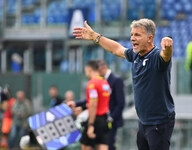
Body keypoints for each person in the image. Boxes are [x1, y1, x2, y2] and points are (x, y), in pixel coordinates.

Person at [73, 19, 175, 150]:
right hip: (143, 122)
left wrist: (168, 44)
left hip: (159, 122)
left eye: (137, 35)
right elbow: (116, 49)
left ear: (150, 38)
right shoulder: (136, 56)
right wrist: (95, 37)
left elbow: (166, 56)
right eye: (132, 35)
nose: (132, 38)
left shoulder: (156, 57)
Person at [81, 60, 110, 150]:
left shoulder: (92, 84)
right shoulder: (105, 83)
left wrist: (90, 124)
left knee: (85, 147)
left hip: (94, 120)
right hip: (104, 120)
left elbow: (93, 104)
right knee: (103, 145)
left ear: (89, 69)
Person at [97, 60, 125, 150]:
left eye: (99, 71)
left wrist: (111, 117)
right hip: (103, 119)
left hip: (111, 121)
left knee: (109, 144)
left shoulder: (116, 80)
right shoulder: (102, 80)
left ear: (104, 68)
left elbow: (121, 103)